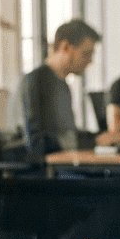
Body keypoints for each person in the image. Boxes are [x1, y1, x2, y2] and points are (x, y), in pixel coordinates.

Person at [20, 19, 99, 162]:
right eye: (86, 53)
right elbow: (36, 144)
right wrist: (94, 141)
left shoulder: (63, 86)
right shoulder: (34, 81)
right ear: (66, 47)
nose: (90, 61)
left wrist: (98, 138)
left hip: (61, 164)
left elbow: (68, 134)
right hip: (41, 170)